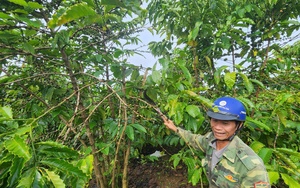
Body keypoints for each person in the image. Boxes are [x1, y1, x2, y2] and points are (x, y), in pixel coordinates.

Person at [162, 96, 270, 188]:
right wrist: (175, 129)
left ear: (239, 125)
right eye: (215, 120)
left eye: (225, 123)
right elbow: (194, 139)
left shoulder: (251, 166)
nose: (217, 127)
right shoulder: (210, 141)